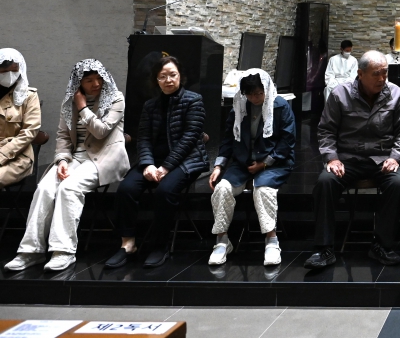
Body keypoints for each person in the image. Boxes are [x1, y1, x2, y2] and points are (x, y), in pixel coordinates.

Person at [5, 59, 128, 272]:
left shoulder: (115, 98)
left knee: (69, 188)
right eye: (89, 80)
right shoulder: (69, 101)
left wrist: (82, 107)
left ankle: (64, 252)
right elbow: (63, 136)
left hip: (103, 158)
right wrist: (62, 160)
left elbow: (101, 131)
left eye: (98, 78)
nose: (96, 84)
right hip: (74, 158)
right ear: (79, 83)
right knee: (44, 188)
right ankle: (30, 251)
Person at [306, 50, 400, 268]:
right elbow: (326, 130)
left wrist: (395, 157)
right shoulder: (340, 94)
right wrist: (331, 158)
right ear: (360, 74)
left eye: (385, 73)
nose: (382, 78)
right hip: (347, 158)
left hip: (382, 159)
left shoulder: (396, 93)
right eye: (376, 74)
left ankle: (382, 244)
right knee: (325, 182)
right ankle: (324, 249)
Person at [106, 56, 208, 269]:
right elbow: (143, 138)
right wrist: (148, 164)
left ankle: (160, 245)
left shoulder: (194, 100)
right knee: (126, 189)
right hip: (154, 162)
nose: (168, 80)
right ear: (156, 80)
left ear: (180, 76)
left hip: (186, 161)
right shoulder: (150, 105)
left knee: (165, 191)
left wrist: (166, 167)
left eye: (172, 75)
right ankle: (127, 243)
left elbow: (190, 139)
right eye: (162, 76)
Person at [208, 69, 296, 267]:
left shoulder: (280, 106)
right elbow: (228, 139)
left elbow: (287, 141)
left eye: (258, 93)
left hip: (275, 162)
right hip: (244, 162)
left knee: (263, 190)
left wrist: (264, 163)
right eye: (250, 94)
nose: (255, 98)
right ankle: (222, 241)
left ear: (266, 89)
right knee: (222, 189)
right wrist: (219, 166)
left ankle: (271, 240)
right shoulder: (239, 106)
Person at [0, 48, 41, 188]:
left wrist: (2, 154)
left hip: (17, 155)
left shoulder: (29, 96)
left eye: (14, 70)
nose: (9, 75)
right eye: (4, 71)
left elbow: (30, 132)